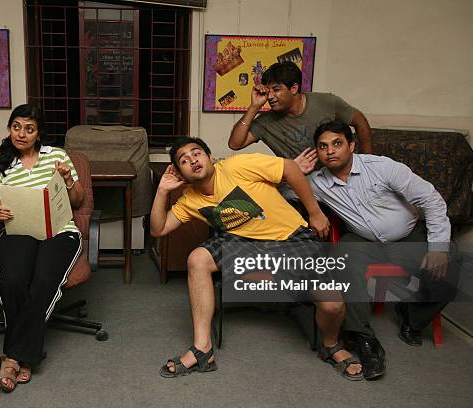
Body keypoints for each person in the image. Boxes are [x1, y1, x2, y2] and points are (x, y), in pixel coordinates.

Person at [151, 136, 365, 381]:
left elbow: (291, 168)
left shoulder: (236, 166)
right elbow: (159, 229)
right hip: (242, 244)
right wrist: (162, 191)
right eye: (184, 160)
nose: (193, 160)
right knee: (197, 258)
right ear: (180, 173)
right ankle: (203, 350)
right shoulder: (189, 200)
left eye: (197, 153)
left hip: (291, 238)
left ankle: (331, 345)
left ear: (210, 158)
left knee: (333, 305)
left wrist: (315, 212)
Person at [293, 120, 459, 379]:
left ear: (352, 145)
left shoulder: (382, 167)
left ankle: (412, 317)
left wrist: (438, 247)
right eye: (323, 146)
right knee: (341, 263)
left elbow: (431, 200)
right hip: (362, 241)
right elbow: (280, 193)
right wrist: (294, 170)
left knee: (453, 263)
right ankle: (364, 340)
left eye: (337, 143)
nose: (330, 151)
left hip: (408, 236)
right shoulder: (316, 182)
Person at [0, 104, 84, 393]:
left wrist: (69, 181)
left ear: (38, 133)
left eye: (29, 129)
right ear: (9, 129)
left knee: (44, 280)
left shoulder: (56, 155)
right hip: (19, 230)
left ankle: (13, 356)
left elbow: (78, 200)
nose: (21, 133)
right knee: (13, 280)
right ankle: (26, 355)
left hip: (59, 231)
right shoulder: (0, 163)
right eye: (16, 126)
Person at [228, 61, 373, 158]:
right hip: (299, 184)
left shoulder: (327, 101)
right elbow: (235, 144)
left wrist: (368, 163)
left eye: (276, 90)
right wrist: (254, 107)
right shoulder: (266, 122)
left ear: (294, 88)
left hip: (335, 177)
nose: (270, 96)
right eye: (267, 91)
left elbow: (360, 121)